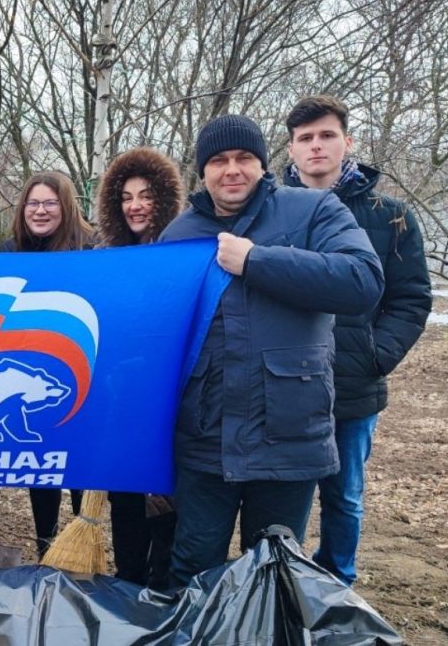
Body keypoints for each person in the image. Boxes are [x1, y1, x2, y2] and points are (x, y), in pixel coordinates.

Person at [159, 114, 384, 587]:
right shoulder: (178, 235)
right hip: (205, 442)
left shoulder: (314, 209)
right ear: (203, 171)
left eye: (244, 158)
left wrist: (255, 260)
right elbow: (155, 335)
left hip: (288, 437)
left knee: (274, 577)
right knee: (191, 570)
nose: (232, 169)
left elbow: (362, 280)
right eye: (218, 161)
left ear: (264, 163)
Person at [284, 95, 432, 585]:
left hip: (353, 383)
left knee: (344, 494)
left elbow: (410, 299)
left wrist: (376, 354)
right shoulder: (270, 213)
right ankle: (285, 586)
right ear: (291, 149)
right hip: (285, 384)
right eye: (305, 138)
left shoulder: (390, 216)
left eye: (326, 135)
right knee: (287, 495)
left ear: (347, 142)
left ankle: (336, 586)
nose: (316, 146)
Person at [95, 146, 183, 588]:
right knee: (126, 503)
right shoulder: (106, 260)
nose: (135, 205)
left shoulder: (186, 253)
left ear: (164, 199)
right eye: (127, 197)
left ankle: (159, 590)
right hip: (122, 403)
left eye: (146, 195)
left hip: (173, 404)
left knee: (166, 507)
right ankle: (128, 585)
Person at [0, 171, 93, 559]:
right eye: (33, 203)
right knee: (41, 462)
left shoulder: (92, 249)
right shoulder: (8, 250)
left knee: (76, 460)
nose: (40, 211)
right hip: (28, 369)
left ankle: (82, 539)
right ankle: (47, 545)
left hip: (78, 365)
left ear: (66, 206)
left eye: (49, 203)